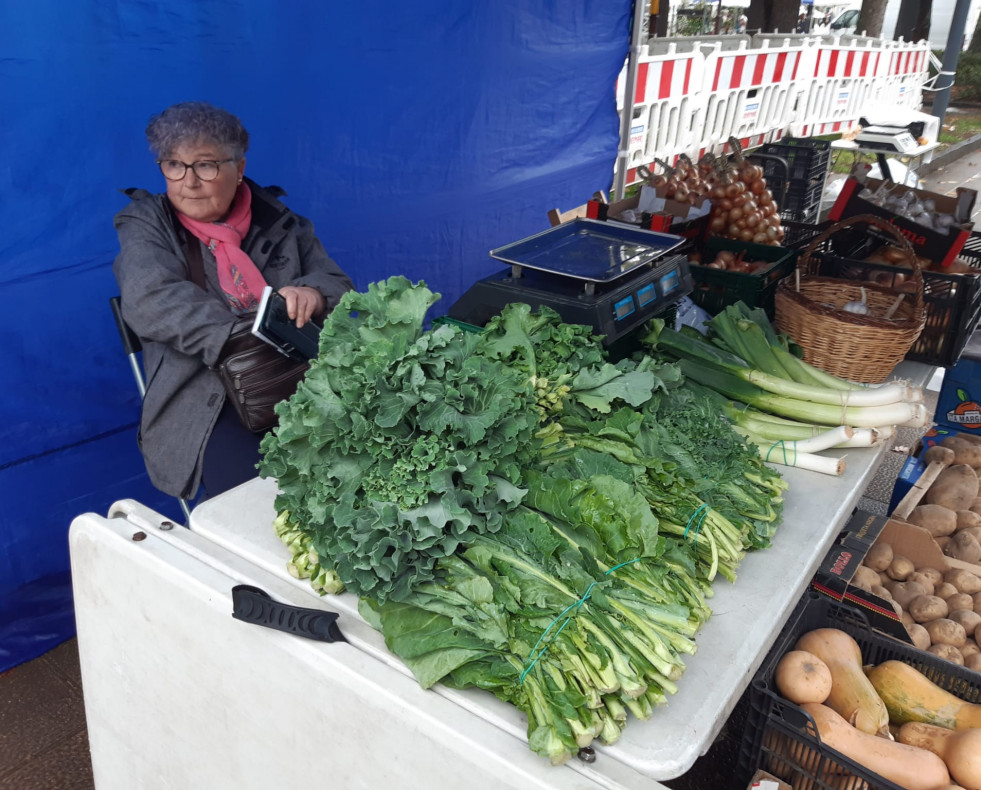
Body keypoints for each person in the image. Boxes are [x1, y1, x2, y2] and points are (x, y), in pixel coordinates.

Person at [113, 101, 354, 501]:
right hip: (204, 399)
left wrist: (309, 293)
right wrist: (253, 336)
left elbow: (336, 282)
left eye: (205, 165)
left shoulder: (280, 220)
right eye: (173, 164)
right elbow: (150, 299)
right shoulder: (146, 223)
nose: (188, 182)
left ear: (239, 168)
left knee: (355, 474)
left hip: (302, 382)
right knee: (258, 504)